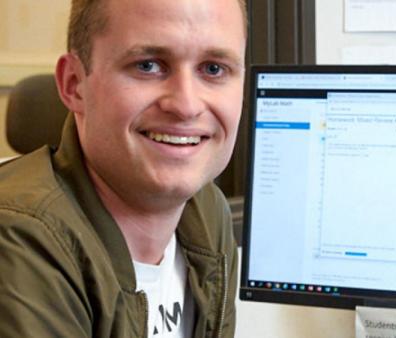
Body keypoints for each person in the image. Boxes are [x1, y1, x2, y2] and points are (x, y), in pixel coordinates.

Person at [0, 0, 247, 337]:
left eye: (214, 69)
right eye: (148, 65)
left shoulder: (205, 212)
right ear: (74, 83)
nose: (186, 105)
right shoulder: (19, 238)